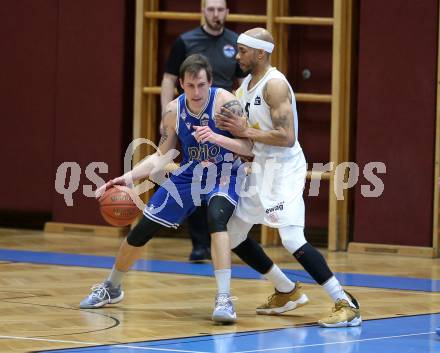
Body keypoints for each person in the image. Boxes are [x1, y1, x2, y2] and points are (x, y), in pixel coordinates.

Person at [79, 54, 249, 323]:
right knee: (143, 227)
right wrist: (129, 177)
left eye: (201, 85)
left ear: (210, 82)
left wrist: (217, 137)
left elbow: (249, 148)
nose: (196, 92)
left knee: (217, 219)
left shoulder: (227, 104)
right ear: (181, 84)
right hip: (191, 173)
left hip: (225, 172)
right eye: (190, 86)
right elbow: (161, 156)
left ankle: (225, 299)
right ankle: (112, 287)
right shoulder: (173, 111)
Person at [213, 28, 362, 328]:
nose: (237, 55)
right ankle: (286, 290)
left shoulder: (275, 85)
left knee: (292, 238)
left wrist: (245, 132)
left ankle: (346, 302)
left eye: (242, 51)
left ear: (260, 53)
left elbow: (287, 137)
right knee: (233, 232)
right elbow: (251, 140)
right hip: (261, 169)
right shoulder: (244, 89)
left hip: (284, 169)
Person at [160, 0, 245, 262]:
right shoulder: (186, 41)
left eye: (220, 10)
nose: (216, 14)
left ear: (227, 13)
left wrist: (243, 121)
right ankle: (199, 244)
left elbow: (242, 83)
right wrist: (166, 117)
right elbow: (169, 79)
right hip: (191, 117)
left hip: (225, 119)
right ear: (203, 11)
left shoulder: (235, 42)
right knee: (193, 173)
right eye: (211, 9)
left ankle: (229, 238)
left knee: (226, 178)